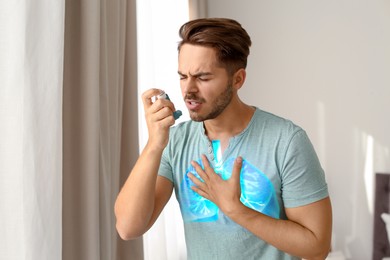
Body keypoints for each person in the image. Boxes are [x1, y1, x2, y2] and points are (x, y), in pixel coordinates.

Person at [115, 18, 332, 260]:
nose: (189, 91)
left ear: (237, 79)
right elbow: (128, 227)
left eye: (203, 78)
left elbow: (317, 247)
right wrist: (154, 144)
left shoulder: (287, 141)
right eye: (183, 76)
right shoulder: (174, 141)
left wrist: (236, 210)